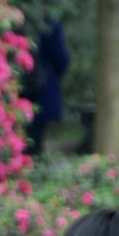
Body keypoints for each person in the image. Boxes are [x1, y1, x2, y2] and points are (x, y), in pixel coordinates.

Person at [24, 18, 70, 153]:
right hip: (42, 89)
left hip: (18, 89)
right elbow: (61, 59)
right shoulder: (49, 21)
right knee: (35, 141)